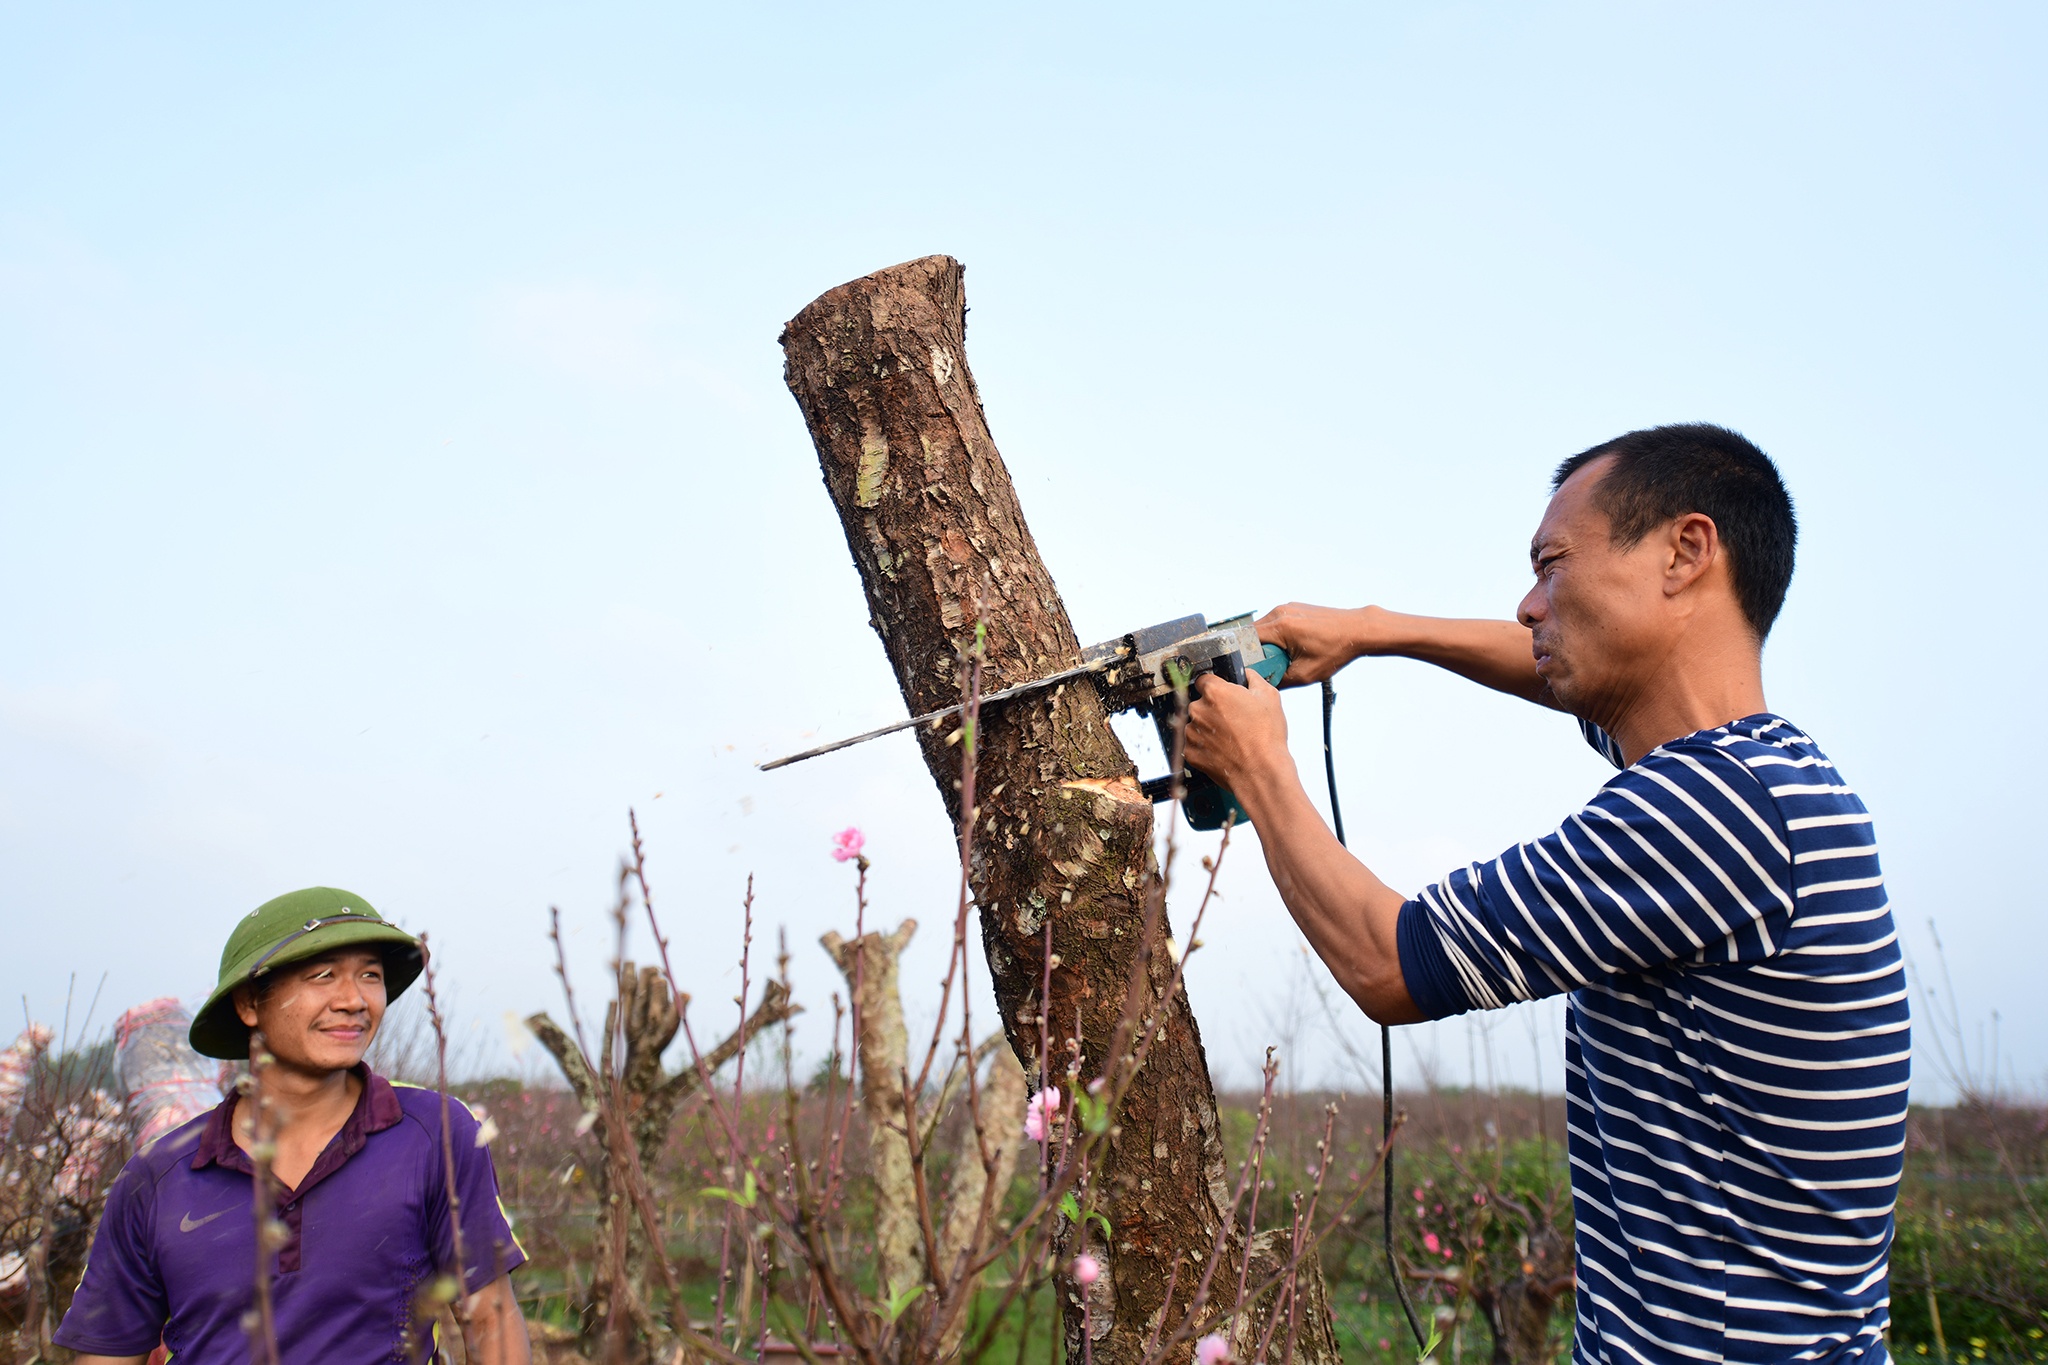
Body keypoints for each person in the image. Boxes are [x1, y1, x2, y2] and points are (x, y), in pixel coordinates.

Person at [1183, 424, 1906, 1363]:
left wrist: (1260, 768)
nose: (1528, 605)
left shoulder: (1711, 809)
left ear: (1686, 551)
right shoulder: (1766, 775)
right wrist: (1372, 630)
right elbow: (1550, 668)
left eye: (1553, 565)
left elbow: (1389, 963)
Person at [55, 887, 530, 1364]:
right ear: (248, 1003)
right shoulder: (159, 1176)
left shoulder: (433, 1135)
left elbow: (491, 1320)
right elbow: (107, 1355)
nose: (353, 1000)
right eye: (322, 976)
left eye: (370, 975)